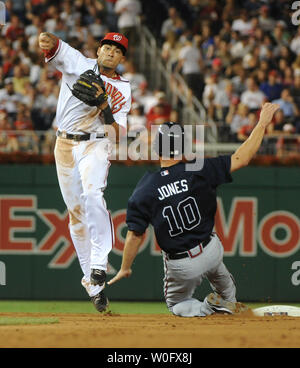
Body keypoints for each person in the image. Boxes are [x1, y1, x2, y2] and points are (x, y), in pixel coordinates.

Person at [108, 103, 279, 317]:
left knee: (177, 304)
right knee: (227, 292)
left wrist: (125, 267)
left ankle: (209, 307)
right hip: (211, 249)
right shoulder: (199, 169)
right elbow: (241, 158)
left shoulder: (145, 189)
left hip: (182, 264)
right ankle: (227, 302)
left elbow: (135, 234)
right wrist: (262, 122)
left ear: (157, 149)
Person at [38, 31, 131, 312]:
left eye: (117, 49)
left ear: (122, 57)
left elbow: (120, 136)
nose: (111, 51)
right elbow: (54, 45)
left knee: (93, 195)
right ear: (99, 49)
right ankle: (93, 284)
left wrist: (106, 108)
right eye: (107, 46)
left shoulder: (124, 88)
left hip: (96, 144)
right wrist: (47, 40)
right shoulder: (79, 63)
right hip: (64, 144)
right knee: (76, 215)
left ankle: (99, 264)